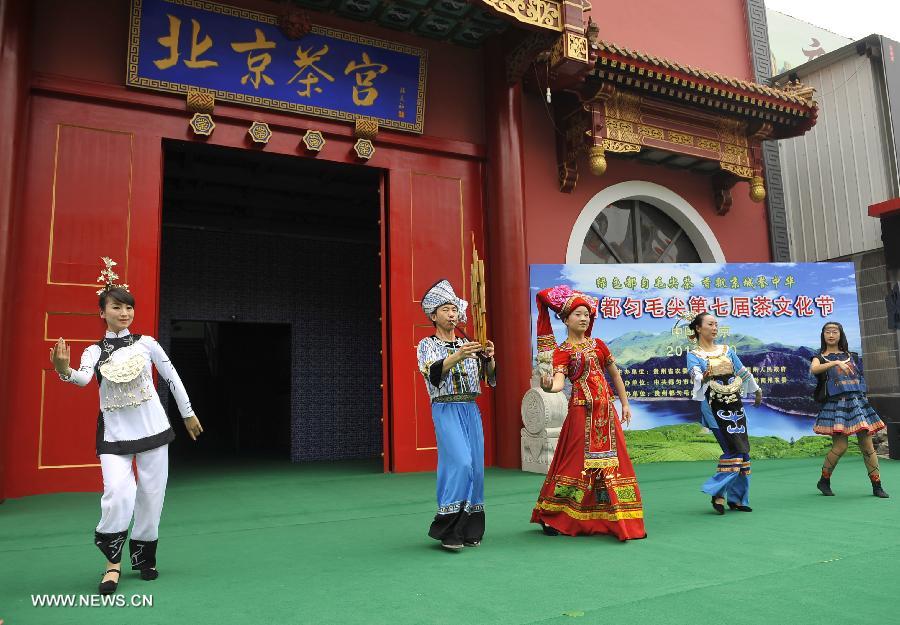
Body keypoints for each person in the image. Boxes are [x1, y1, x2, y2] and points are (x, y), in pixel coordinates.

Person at [49, 257, 203, 594]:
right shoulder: (93, 351)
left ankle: (145, 558)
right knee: (118, 494)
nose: (124, 313)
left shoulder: (147, 343)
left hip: (153, 430)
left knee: (152, 496)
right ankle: (112, 564)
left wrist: (187, 412)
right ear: (102, 312)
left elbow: (171, 376)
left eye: (128, 307)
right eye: (116, 307)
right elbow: (82, 379)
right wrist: (63, 369)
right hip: (115, 435)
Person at [530, 285, 646, 540]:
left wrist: (625, 404)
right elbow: (560, 383)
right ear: (565, 319)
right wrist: (548, 384)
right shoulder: (562, 351)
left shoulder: (600, 345)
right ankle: (553, 515)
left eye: (586, 314)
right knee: (573, 465)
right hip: (582, 415)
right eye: (577, 314)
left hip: (607, 414)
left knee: (616, 464)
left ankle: (618, 519)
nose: (583, 318)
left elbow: (614, 375)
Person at [416, 279, 496, 551]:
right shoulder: (426, 344)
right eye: (446, 310)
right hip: (446, 407)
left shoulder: (467, 343)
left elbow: (488, 378)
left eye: (454, 309)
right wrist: (458, 355)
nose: (452, 314)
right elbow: (433, 373)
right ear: (433, 315)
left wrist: (489, 358)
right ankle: (447, 528)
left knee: (475, 467)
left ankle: (470, 528)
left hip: (470, 408)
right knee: (459, 462)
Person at [685, 312, 761, 514]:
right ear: (699, 328)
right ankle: (717, 493)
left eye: (716, 324)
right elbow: (695, 374)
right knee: (733, 449)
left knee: (743, 450)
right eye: (710, 324)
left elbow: (743, 371)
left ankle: (737, 499)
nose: (715, 327)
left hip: (734, 405)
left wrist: (756, 389)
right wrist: (704, 375)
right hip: (713, 406)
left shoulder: (727, 350)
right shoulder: (694, 355)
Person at [811, 321, 888, 498]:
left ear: (840, 334)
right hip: (836, 404)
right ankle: (824, 480)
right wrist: (834, 363)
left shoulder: (851, 355)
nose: (831, 335)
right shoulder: (819, 357)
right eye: (827, 332)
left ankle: (877, 485)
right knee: (840, 447)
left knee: (867, 445)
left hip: (857, 402)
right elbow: (814, 369)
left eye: (834, 331)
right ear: (823, 335)